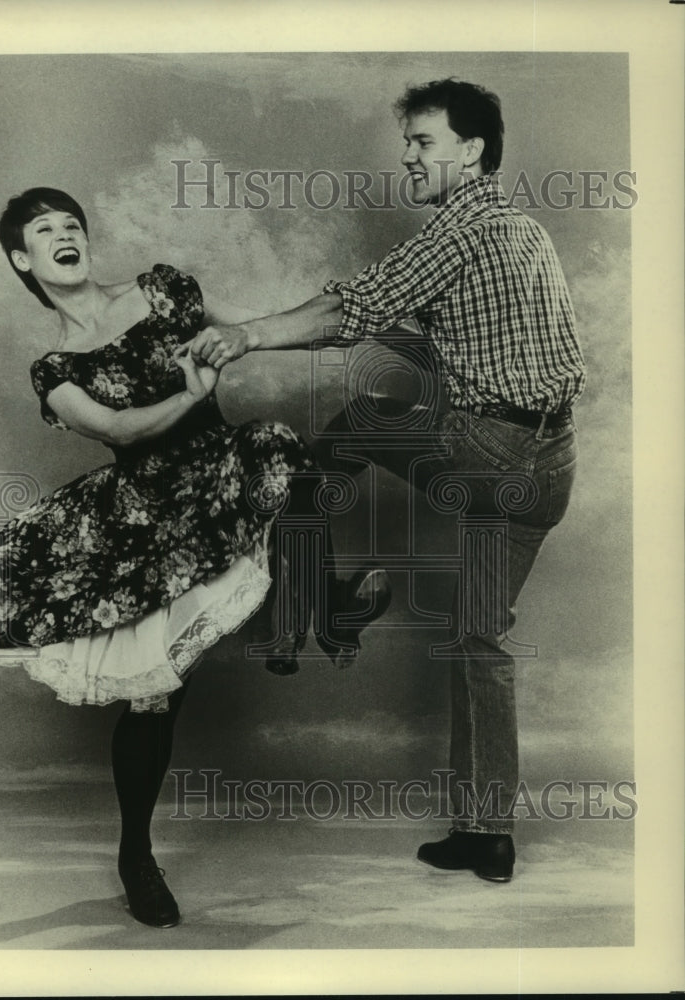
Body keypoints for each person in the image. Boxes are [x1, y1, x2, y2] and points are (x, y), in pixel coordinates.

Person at [0, 187, 391, 928]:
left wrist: (318, 329)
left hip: (220, 476)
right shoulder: (54, 369)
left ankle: (322, 611)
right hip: (145, 516)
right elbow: (120, 426)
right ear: (24, 259)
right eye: (44, 231)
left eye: (72, 223)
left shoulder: (163, 289)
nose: (64, 235)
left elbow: (247, 329)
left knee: (277, 444)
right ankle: (135, 858)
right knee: (152, 696)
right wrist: (191, 392)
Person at [189, 79, 586, 883]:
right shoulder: (524, 233)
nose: (407, 156)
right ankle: (486, 835)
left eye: (423, 143)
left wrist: (247, 336)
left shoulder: (464, 227)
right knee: (480, 637)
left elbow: (353, 308)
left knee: (354, 421)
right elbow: (484, 344)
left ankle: (320, 597)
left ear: (470, 152)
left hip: (494, 455)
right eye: (406, 143)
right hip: (550, 468)